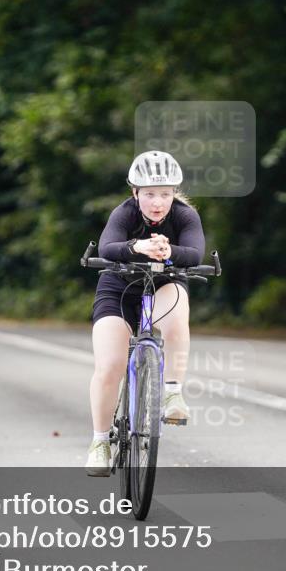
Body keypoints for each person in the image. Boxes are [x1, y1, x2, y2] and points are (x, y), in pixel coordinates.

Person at [85, 150, 204, 476]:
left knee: (177, 315)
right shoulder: (124, 213)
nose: (157, 202)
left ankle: (173, 392)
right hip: (119, 288)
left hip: (164, 284)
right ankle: (100, 442)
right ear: (135, 192)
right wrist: (137, 247)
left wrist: (168, 251)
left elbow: (195, 254)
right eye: (149, 194)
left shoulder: (185, 215)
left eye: (165, 194)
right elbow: (107, 247)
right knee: (109, 365)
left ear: (174, 193)